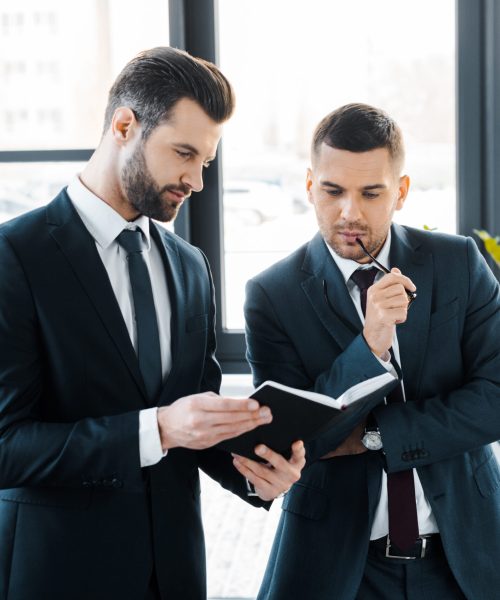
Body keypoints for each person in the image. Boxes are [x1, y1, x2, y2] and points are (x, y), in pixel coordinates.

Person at [0, 47, 305, 600]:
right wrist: (156, 429)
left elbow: (196, 415)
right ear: (123, 126)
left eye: (206, 162)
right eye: (183, 153)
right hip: (58, 573)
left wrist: (256, 473)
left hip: (175, 572)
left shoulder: (190, 266)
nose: (197, 181)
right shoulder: (13, 256)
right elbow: (6, 445)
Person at [245, 103, 500, 600]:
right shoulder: (271, 294)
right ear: (309, 186)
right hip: (338, 566)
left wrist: (375, 436)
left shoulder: (458, 264)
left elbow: (495, 399)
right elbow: (294, 443)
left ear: (400, 192)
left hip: (466, 553)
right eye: (333, 191)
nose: (350, 213)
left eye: (371, 193)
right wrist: (370, 345)